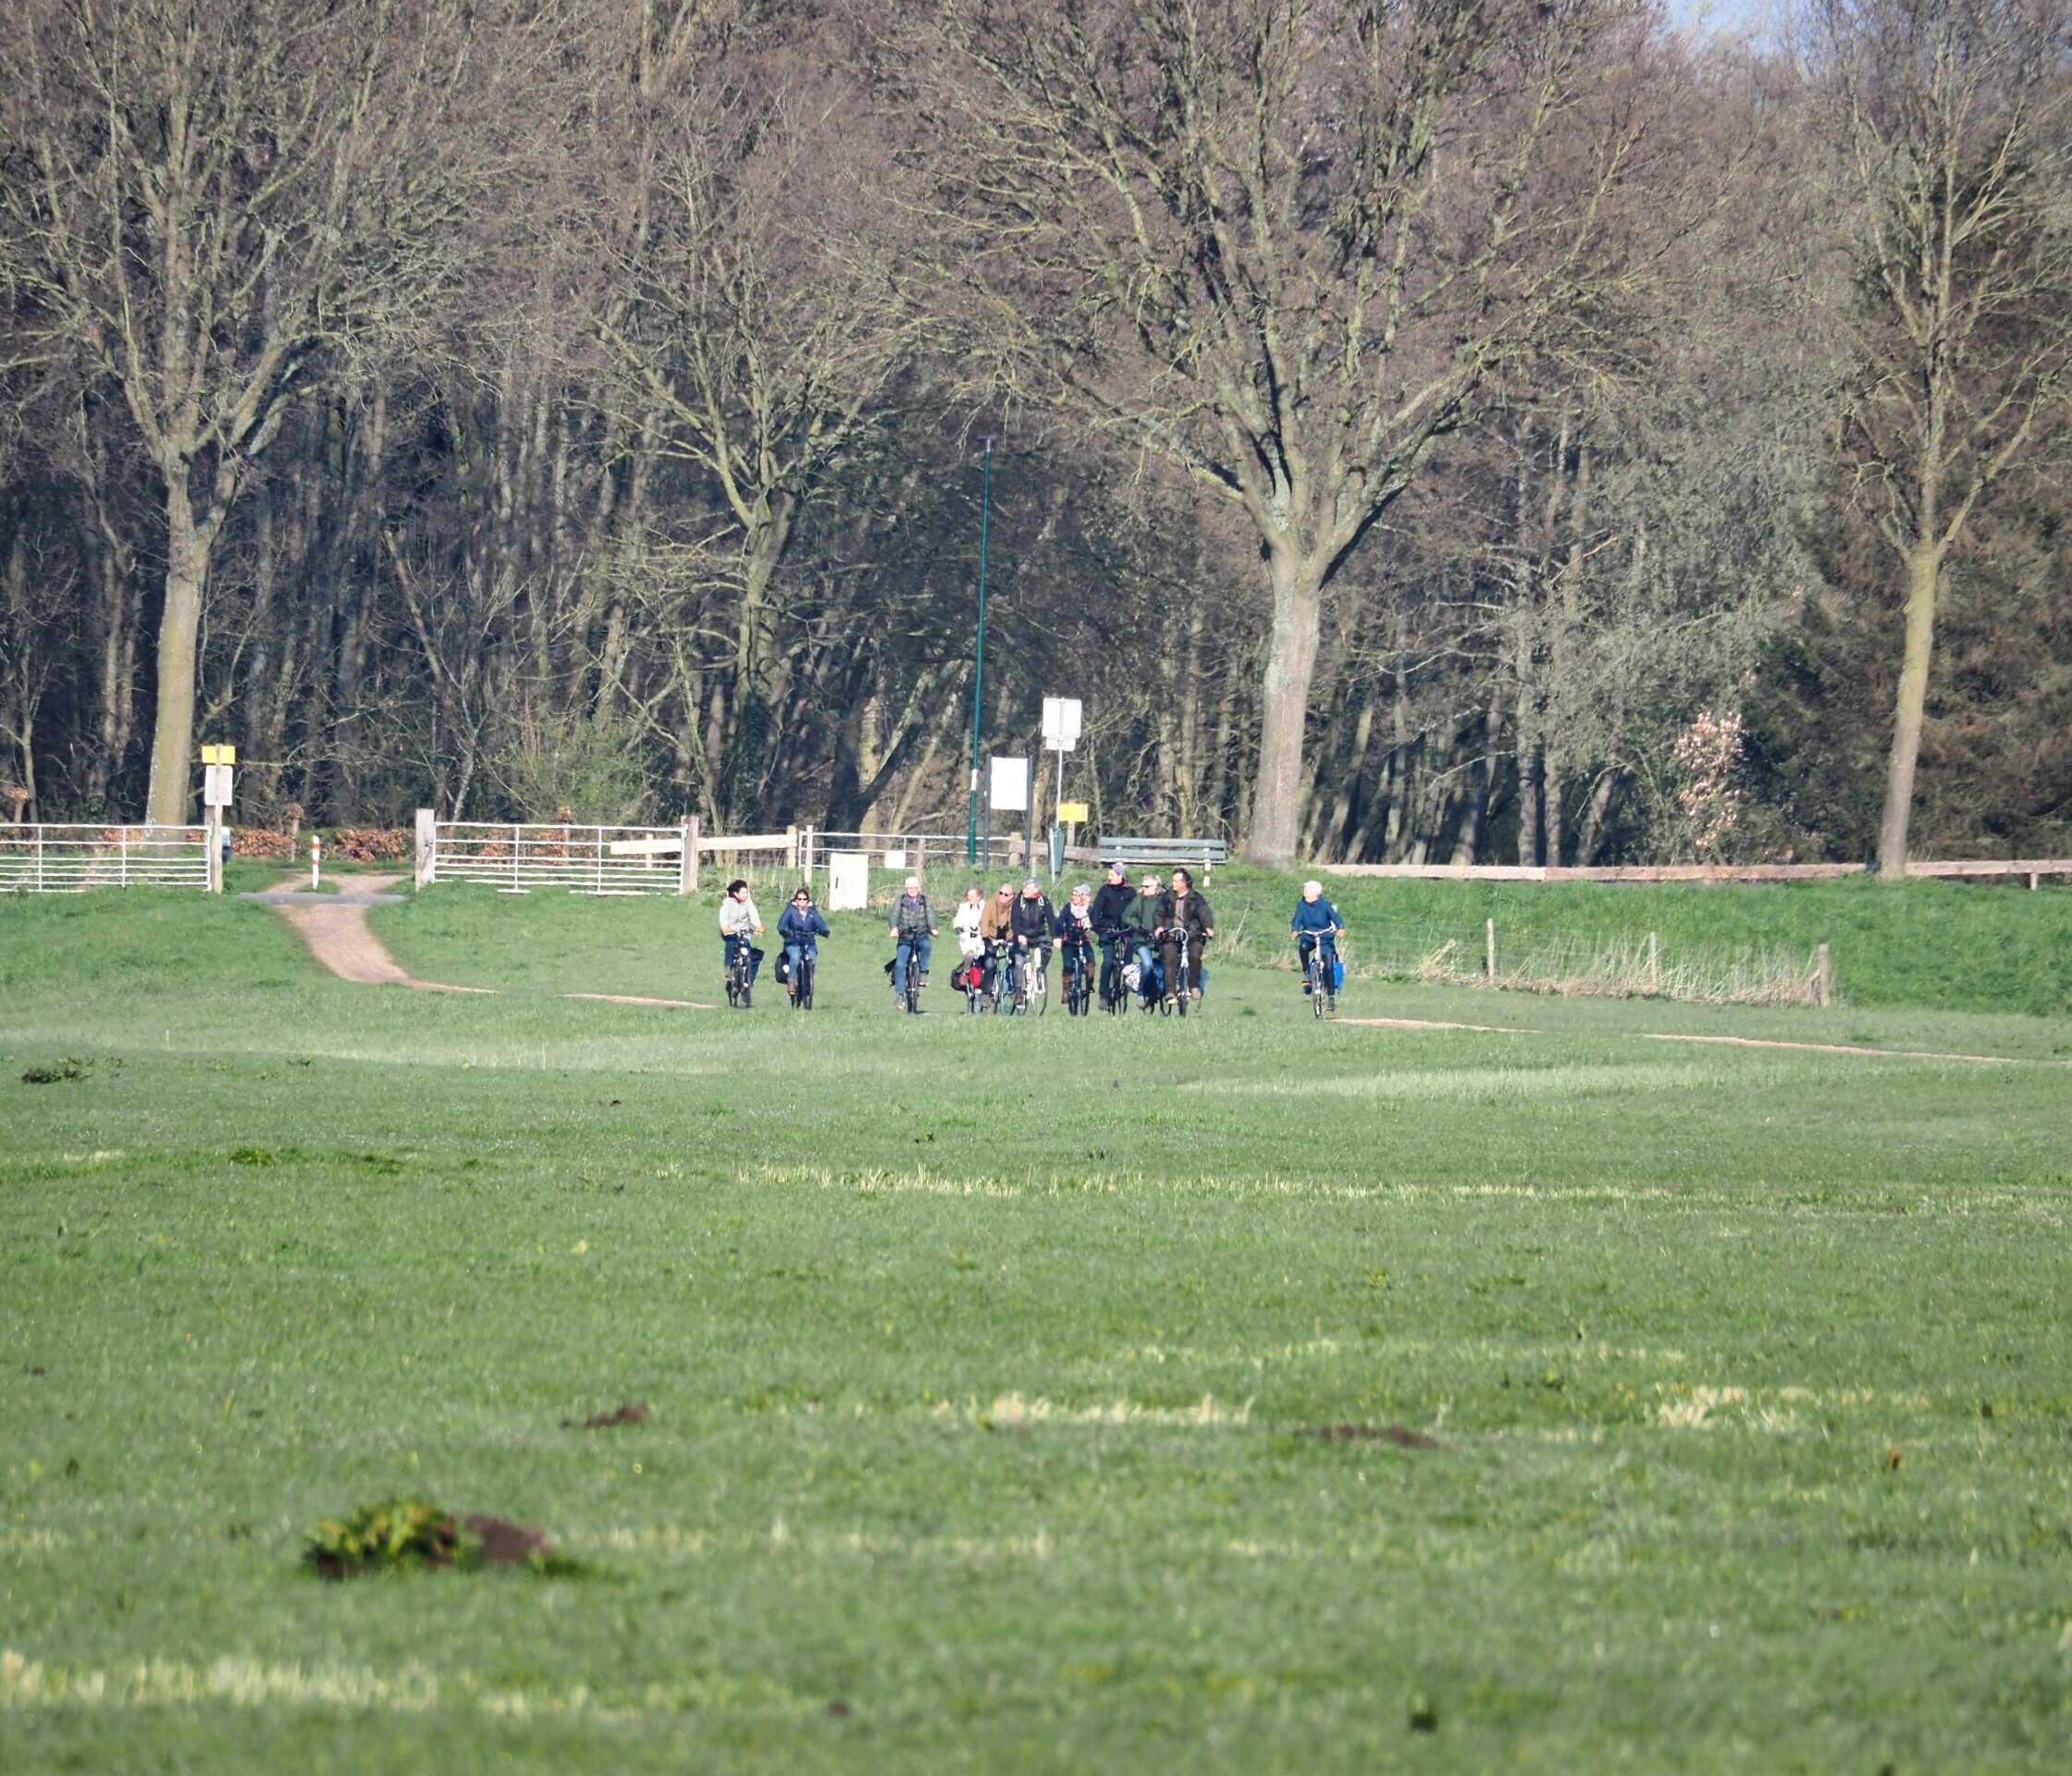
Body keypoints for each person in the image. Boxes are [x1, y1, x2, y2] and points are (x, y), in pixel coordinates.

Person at [1155, 867, 1215, 1006]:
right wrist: (1159, 926)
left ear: (1184, 883)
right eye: (1173, 880)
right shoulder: (1167, 897)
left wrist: (1208, 928)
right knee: (1169, 958)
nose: (1173, 883)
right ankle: (1170, 991)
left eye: (1176, 881)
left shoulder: (1196, 898)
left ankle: (1194, 986)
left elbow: (1204, 913)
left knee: (1194, 955)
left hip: (1192, 934)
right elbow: (1159, 913)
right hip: (1171, 934)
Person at [1089, 863, 1135, 1007]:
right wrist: (1097, 924)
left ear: (1120, 876)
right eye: (1109, 875)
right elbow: (1096, 909)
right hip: (1107, 929)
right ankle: (1103, 994)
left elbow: (1135, 910)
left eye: (1112, 875)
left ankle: (1127, 979)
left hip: (1125, 929)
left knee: (1129, 951)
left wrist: (1134, 926)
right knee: (1108, 961)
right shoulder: (1105, 890)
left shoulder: (1130, 892)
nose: (1109, 878)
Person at [888, 875, 937, 1010]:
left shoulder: (925, 901)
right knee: (900, 965)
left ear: (919, 888)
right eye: (910, 888)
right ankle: (900, 996)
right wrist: (894, 928)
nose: (912, 890)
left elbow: (931, 915)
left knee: (926, 946)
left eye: (915, 887)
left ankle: (923, 973)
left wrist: (933, 928)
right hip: (905, 937)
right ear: (906, 889)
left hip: (921, 933)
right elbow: (894, 915)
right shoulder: (900, 900)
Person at [1290, 880, 1345, 999]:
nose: (1304, 894)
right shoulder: (1301, 905)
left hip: (1325, 938)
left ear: (1315, 893)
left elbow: (1335, 917)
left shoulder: (1324, 904)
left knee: (1329, 967)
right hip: (1309, 936)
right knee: (1303, 947)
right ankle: (1306, 974)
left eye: (1307, 891)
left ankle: (1331, 998)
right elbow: (1297, 919)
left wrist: (1340, 928)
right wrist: (1295, 929)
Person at [778, 886, 831, 1003]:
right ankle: (791, 982)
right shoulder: (790, 911)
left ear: (808, 900)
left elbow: (820, 923)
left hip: (809, 941)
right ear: (796, 900)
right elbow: (782, 924)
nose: (802, 901)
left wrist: (824, 931)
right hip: (793, 941)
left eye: (804, 899)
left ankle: (808, 983)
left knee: (812, 960)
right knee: (795, 958)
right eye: (799, 899)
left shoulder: (812, 912)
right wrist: (784, 931)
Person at [1009, 876, 1055, 1005]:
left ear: (1036, 889)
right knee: (1019, 962)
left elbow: (1051, 920)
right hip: (1022, 935)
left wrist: (1055, 937)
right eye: (1024, 887)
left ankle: (1040, 971)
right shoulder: (1019, 902)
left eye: (1027, 888)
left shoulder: (1043, 901)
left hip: (1038, 935)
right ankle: (1018, 992)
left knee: (1047, 952)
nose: (1024, 890)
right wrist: (1018, 935)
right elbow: (1015, 920)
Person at [1054, 882, 1098, 1007]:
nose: (1074, 898)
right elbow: (1059, 922)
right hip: (1069, 940)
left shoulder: (1091, 909)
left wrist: (1088, 908)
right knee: (1068, 965)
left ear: (1084, 897)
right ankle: (1066, 990)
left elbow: (1095, 922)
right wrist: (1058, 936)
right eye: (1073, 895)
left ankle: (1089, 985)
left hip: (1084, 940)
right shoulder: (1068, 908)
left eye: (1077, 895)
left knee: (1091, 962)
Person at [1122, 871, 1164, 1005]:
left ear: (1156, 888)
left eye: (1147, 886)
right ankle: (1141, 992)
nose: (1144, 889)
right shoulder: (1139, 899)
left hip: (1160, 939)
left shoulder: (1163, 900)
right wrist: (1138, 927)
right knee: (1147, 964)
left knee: (1166, 964)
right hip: (1142, 939)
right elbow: (1126, 916)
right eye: (1143, 886)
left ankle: (1160, 989)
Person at [718, 878, 763, 998]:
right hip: (729, 932)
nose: (746, 894)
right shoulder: (728, 903)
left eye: (746, 892)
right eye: (743, 892)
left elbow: (753, 913)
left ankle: (747, 979)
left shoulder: (748, 902)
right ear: (735, 893)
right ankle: (729, 970)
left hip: (743, 932)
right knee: (730, 946)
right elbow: (723, 917)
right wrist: (725, 928)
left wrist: (758, 926)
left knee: (747, 951)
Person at [978, 881, 1018, 995]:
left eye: (1006, 894)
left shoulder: (1015, 906)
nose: (1002, 896)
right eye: (1001, 893)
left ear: (1012, 896)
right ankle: (986, 992)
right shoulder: (990, 903)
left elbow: (1018, 922)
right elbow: (984, 921)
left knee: (1014, 959)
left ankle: (1012, 985)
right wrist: (985, 936)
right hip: (991, 937)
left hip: (1008, 936)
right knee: (990, 963)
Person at [952, 884, 987, 994]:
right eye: (968, 896)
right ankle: (966, 973)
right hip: (968, 938)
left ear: (979, 896)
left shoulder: (985, 906)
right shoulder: (963, 907)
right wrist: (958, 927)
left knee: (985, 957)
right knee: (970, 954)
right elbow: (958, 919)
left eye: (973, 896)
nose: (970, 898)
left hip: (982, 937)